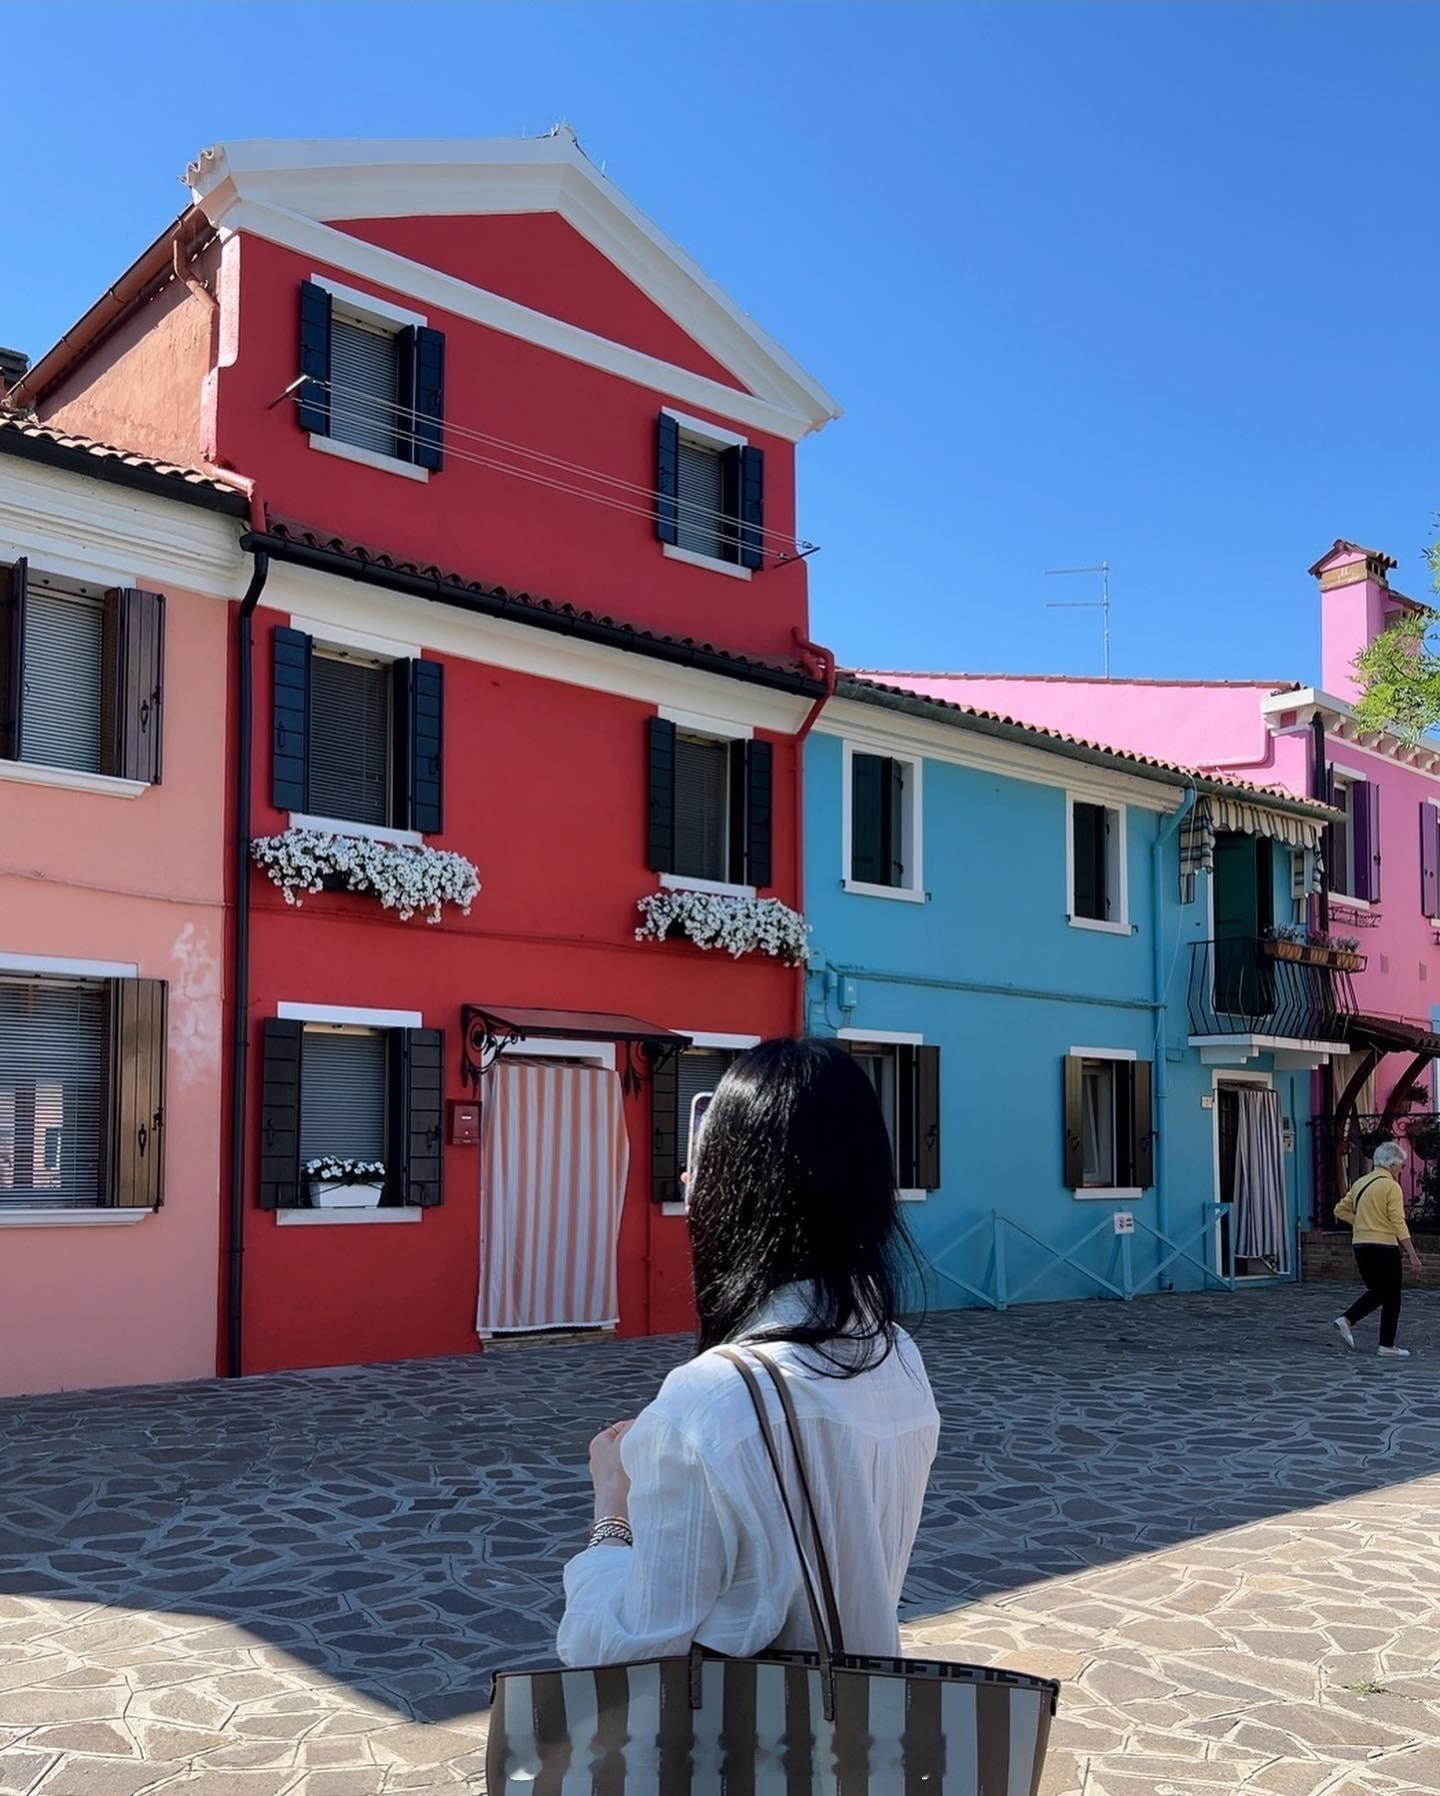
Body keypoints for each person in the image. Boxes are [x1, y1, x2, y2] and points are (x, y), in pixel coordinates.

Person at [556, 1037, 940, 1667]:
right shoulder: (896, 1355)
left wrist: (612, 1508)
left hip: (746, 1730)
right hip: (861, 1720)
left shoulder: (713, 1396)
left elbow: (626, 1651)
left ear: (729, 1190)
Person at [1333, 1141, 1422, 1358]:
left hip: (1361, 1246)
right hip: (1384, 1247)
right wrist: (1412, 1253)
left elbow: (1339, 1210)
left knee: (1380, 1292)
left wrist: (1362, 1222)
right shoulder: (1391, 1187)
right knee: (1392, 1296)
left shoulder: (1360, 1183)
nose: (1401, 1170)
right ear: (1392, 1164)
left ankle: (1349, 1321)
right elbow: (1398, 1221)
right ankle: (1384, 1344)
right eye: (1401, 1166)